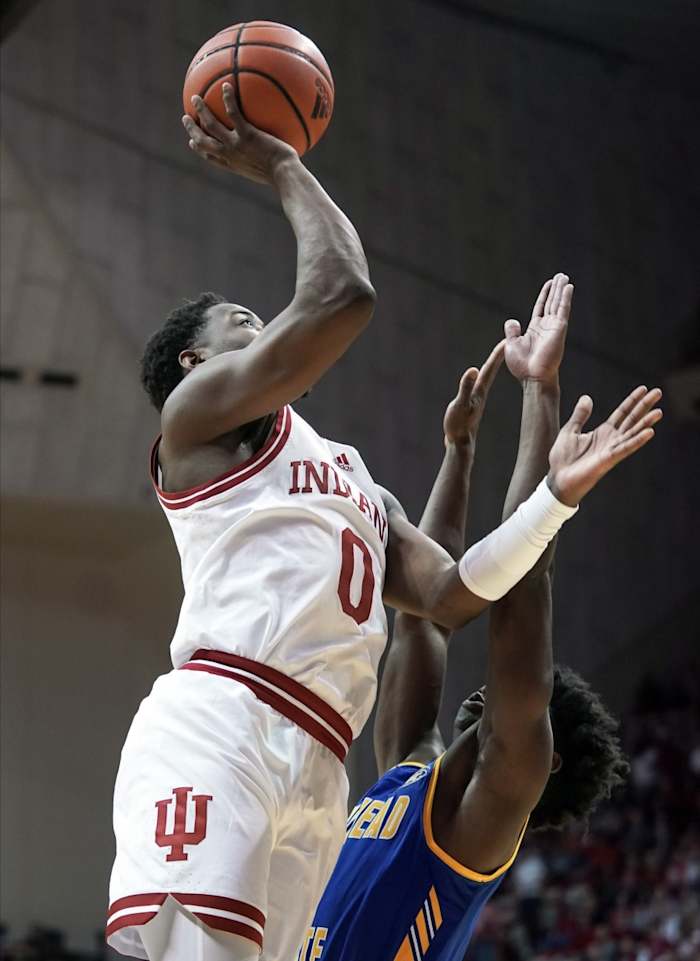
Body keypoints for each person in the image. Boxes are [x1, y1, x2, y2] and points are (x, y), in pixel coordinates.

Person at [106, 80, 655, 961]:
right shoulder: (196, 418)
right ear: (196, 361)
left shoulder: (358, 482)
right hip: (226, 715)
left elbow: (453, 599)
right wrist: (282, 165)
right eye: (243, 321)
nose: (262, 323)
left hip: (321, 761)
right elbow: (342, 294)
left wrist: (546, 487)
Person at [299, 282, 662, 960]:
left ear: (542, 759)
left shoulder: (481, 828)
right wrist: (459, 451)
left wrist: (541, 396)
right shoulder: (410, 774)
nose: (486, 690)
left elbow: (521, 592)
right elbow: (422, 621)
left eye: (514, 697)